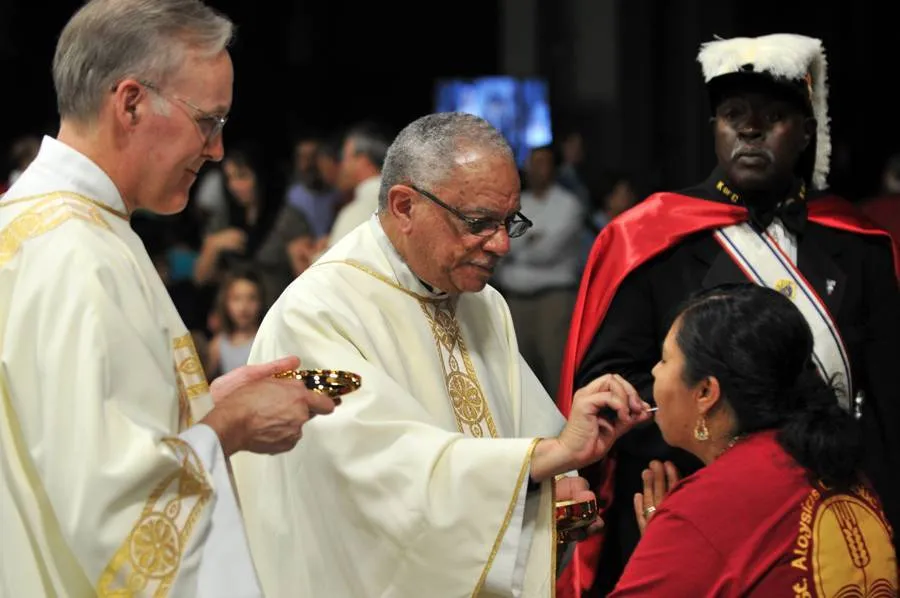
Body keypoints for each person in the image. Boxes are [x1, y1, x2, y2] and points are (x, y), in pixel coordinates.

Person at [230, 112, 652, 597]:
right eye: (478, 222)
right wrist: (543, 460)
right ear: (405, 206)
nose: (500, 245)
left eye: (508, 222)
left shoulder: (483, 302)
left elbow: (525, 430)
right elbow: (381, 472)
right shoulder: (318, 313)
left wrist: (558, 485)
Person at [0, 1, 337, 596]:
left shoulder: (47, 226)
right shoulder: (76, 254)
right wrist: (227, 426)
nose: (217, 151)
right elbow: (107, 501)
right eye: (209, 121)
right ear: (130, 103)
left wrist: (199, 405)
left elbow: (80, 427)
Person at [557, 33, 900, 597]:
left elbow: (886, 401)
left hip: (829, 504)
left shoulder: (858, 246)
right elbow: (611, 386)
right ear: (714, 127)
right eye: (733, 114)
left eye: (773, 116)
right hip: (690, 494)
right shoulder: (650, 238)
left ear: (807, 129)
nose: (750, 128)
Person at [609, 283, 897, 596]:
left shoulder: (708, 506)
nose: (653, 371)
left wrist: (675, 542)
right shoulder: (838, 464)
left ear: (706, 392)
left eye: (664, 360)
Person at [326, 121, 390, 246]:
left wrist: (312, 256)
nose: (342, 166)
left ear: (362, 160)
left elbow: (336, 264)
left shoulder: (357, 212)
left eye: (345, 158)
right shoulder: (406, 202)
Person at [208, 269, 265, 376]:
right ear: (225, 302)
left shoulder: (266, 340)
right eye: (236, 299)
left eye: (251, 298)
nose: (243, 307)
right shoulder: (218, 345)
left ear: (261, 302)